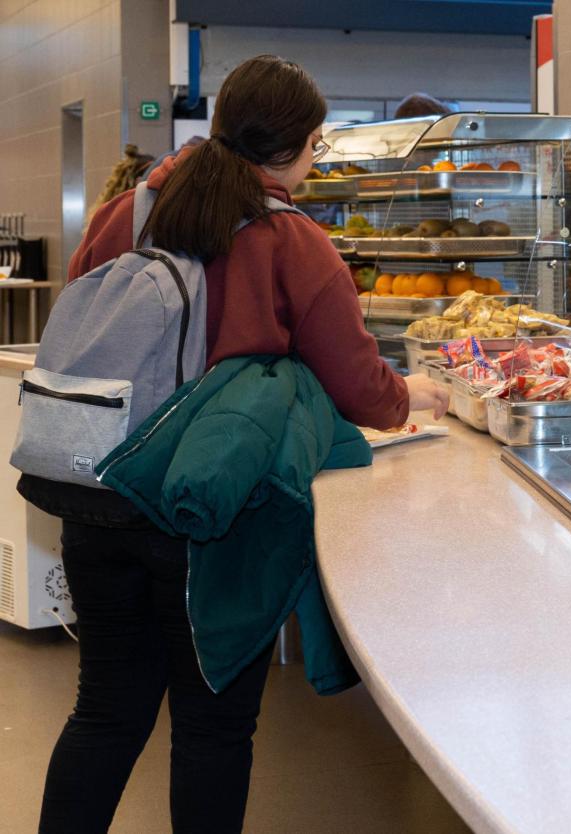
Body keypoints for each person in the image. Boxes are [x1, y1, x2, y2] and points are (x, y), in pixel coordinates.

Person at [35, 55, 448, 833]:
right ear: (293, 147)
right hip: (211, 511)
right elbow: (359, 385)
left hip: (101, 489)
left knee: (106, 712)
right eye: (318, 146)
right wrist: (410, 396)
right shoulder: (294, 238)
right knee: (212, 726)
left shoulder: (126, 212)